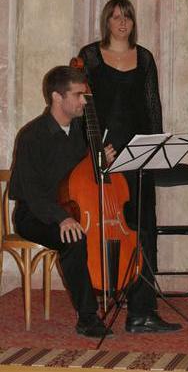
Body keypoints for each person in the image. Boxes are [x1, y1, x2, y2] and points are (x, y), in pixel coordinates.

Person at [78, 0, 181, 333]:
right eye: (116, 17)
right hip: (106, 153)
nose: (122, 23)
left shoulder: (145, 57)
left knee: (143, 229)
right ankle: (95, 305)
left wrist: (155, 148)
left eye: (127, 17)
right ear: (107, 22)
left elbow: (153, 106)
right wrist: (94, 150)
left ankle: (142, 311)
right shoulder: (90, 56)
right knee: (105, 229)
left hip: (138, 155)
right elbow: (82, 106)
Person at [10, 66, 117, 337]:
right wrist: (61, 217)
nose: (84, 101)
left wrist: (100, 163)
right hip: (34, 214)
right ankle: (88, 317)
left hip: (71, 208)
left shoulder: (82, 130)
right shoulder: (32, 136)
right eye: (78, 95)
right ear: (58, 97)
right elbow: (33, 194)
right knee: (74, 238)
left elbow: (81, 179)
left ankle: (122, 293)